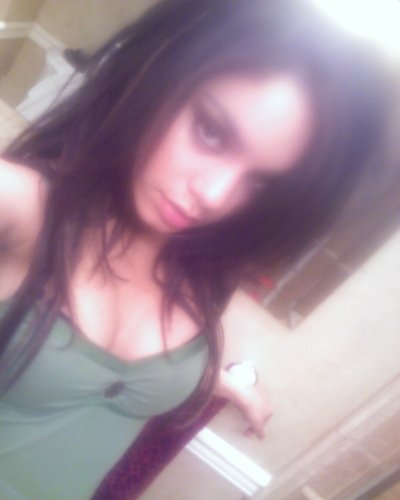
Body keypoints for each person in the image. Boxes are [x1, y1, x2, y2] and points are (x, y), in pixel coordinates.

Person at [0, 0, 391, 498]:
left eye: (259, 182)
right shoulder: (26, 209)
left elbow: (126, 371)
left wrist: (225, 384)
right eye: (210, 131)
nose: (216, 196)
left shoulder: (202, 270)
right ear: (158, 75)